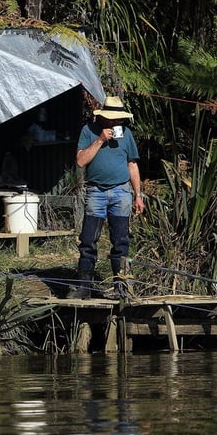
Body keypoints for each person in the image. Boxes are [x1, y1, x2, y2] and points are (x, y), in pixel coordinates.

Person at [68, 96, 145, 300]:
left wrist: (138, 194)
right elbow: (81, 160)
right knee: (88, 240)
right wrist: (100, 139)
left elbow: (132, 165)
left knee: (121, 240)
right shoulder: (89, 131)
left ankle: (121, 286)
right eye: (112, 119)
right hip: (96, 191)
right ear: (103, 117)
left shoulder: (126, 134)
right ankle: (84, 285)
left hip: (121, 191)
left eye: (118, 119)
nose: (115, 123)